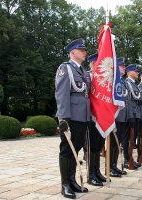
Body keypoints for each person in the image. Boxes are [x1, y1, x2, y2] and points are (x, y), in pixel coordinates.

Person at [55, 38, 90, 199]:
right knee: (66, 150)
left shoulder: (82, 71)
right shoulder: (65, 68)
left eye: (84, 50)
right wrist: (63, 118)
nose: (85, 52)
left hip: (82, 116)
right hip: (70, 117)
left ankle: (72, 180)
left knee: (76, 149)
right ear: (73, 53)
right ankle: (65, 185)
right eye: (81, 50)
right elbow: (61, 94)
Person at [86, 53, 107, 187]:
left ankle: (97, 171)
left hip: (102, 116)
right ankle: (90, 175)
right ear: (93, 64)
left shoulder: (103, 78)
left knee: (99, 145)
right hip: (91, 115)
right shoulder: (87, 76)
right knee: (91, 147)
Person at [110, 57, 128, 177]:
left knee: (117, 143)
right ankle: (110, 167)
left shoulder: (121, 81)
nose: (124, 68)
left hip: (121, 116)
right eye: (122, 66)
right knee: (112, 143)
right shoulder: (113, 79)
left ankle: (114, 165)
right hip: (114, 116)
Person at [123, 64, 142, 169]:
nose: (137, 73)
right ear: (129, 72)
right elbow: (128, 101)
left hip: (136, 114)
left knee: (132, 138)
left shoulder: (134, 84)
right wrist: (130, 115)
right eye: (135, 71)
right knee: (127, 138)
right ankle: (127, 159)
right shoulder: (127, 83)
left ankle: (130, 158)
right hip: (130, 114)